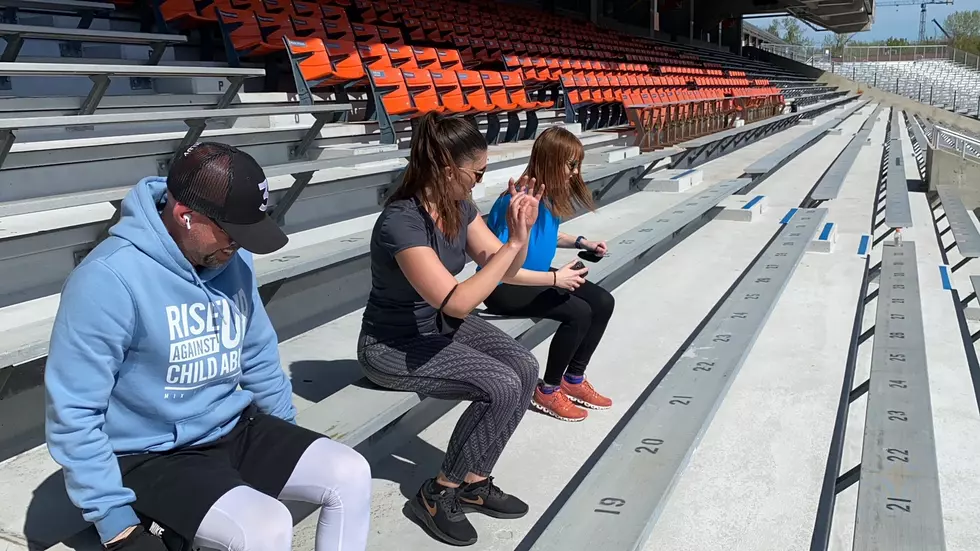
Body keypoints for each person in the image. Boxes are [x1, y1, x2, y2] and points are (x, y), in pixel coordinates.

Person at [44, 142, 372, 551]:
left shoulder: (228, 258)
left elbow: (257, 351)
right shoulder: (107, 280)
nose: (239, 247)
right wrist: (117, 525)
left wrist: (284, 434)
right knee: (265, 526)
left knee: (350, 472)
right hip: (152, 453)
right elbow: (73, 411)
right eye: (233, 235)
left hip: (234, 428)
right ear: (186, 216)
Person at [356, 112, 545, 547]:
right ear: (447, 170)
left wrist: (522, 234)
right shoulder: (400, 221)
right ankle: (437, 494)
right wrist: (512, 246)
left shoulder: (460, 207)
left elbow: (504, 268)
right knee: (499, 384)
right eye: (477, 172)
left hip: (442, 329)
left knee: (525, 367)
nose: (481, 181)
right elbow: (457, 299)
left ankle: (474, 481)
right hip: (392, 345)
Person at [482, 126, 616, 423]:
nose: (575, 171)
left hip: (537, 275)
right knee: (579, 312)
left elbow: (549, 236)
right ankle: (549, 389)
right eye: (571, 164)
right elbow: (503, 268)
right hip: (503, 286)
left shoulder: (549, 197)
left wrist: (583, 243)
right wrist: (556, 280)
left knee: (603, 302)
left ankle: (574, 379)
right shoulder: (515, 201)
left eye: (577, 164)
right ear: (551, 161)